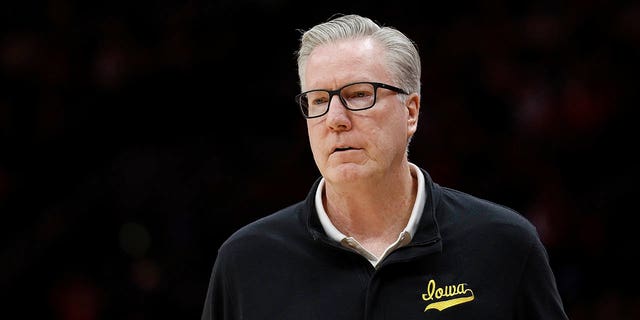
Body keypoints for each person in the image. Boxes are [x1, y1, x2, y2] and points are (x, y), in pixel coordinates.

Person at [201, 13, 569, 319]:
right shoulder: (245, 262)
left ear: (411, 112)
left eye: (359, 94)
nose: (336, 118)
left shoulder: (504, 244)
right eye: (317, 100)